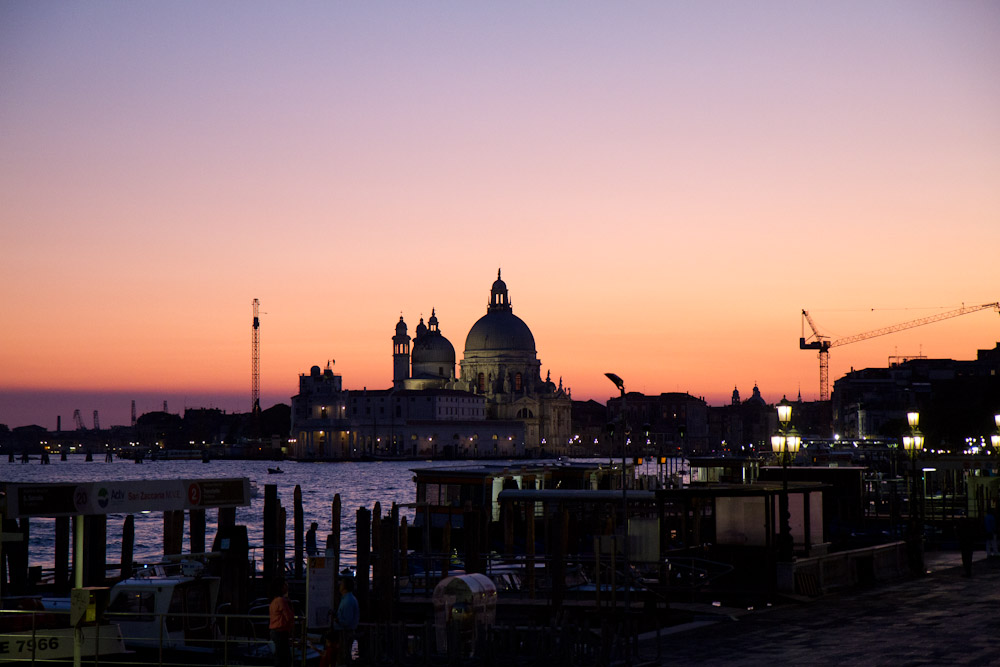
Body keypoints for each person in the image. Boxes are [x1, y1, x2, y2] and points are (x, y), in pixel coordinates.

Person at [331, 576, 360, 666]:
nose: (339, 585)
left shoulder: (348, 600)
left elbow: (346, 621)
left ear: (345, 587)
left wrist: (336, 619)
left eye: (341, 584)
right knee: (344, 655)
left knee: (343, 655)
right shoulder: (347, 599)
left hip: (345, 633)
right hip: (345, 632)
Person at [268, 577, 294, 667]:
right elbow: (289, 616)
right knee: (284, 658)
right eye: (285, 584)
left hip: (276, 631)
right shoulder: (281, 601)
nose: (287, 586)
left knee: (280, 656)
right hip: (281, 632)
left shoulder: (275, 601)